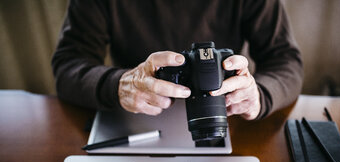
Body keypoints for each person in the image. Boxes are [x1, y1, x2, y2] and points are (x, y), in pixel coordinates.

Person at [52, 0, 303, 120]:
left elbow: (285, 61)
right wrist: (118, 85)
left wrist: (258, 96)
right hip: (134, 112)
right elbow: (68, 64)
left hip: (224, 116)